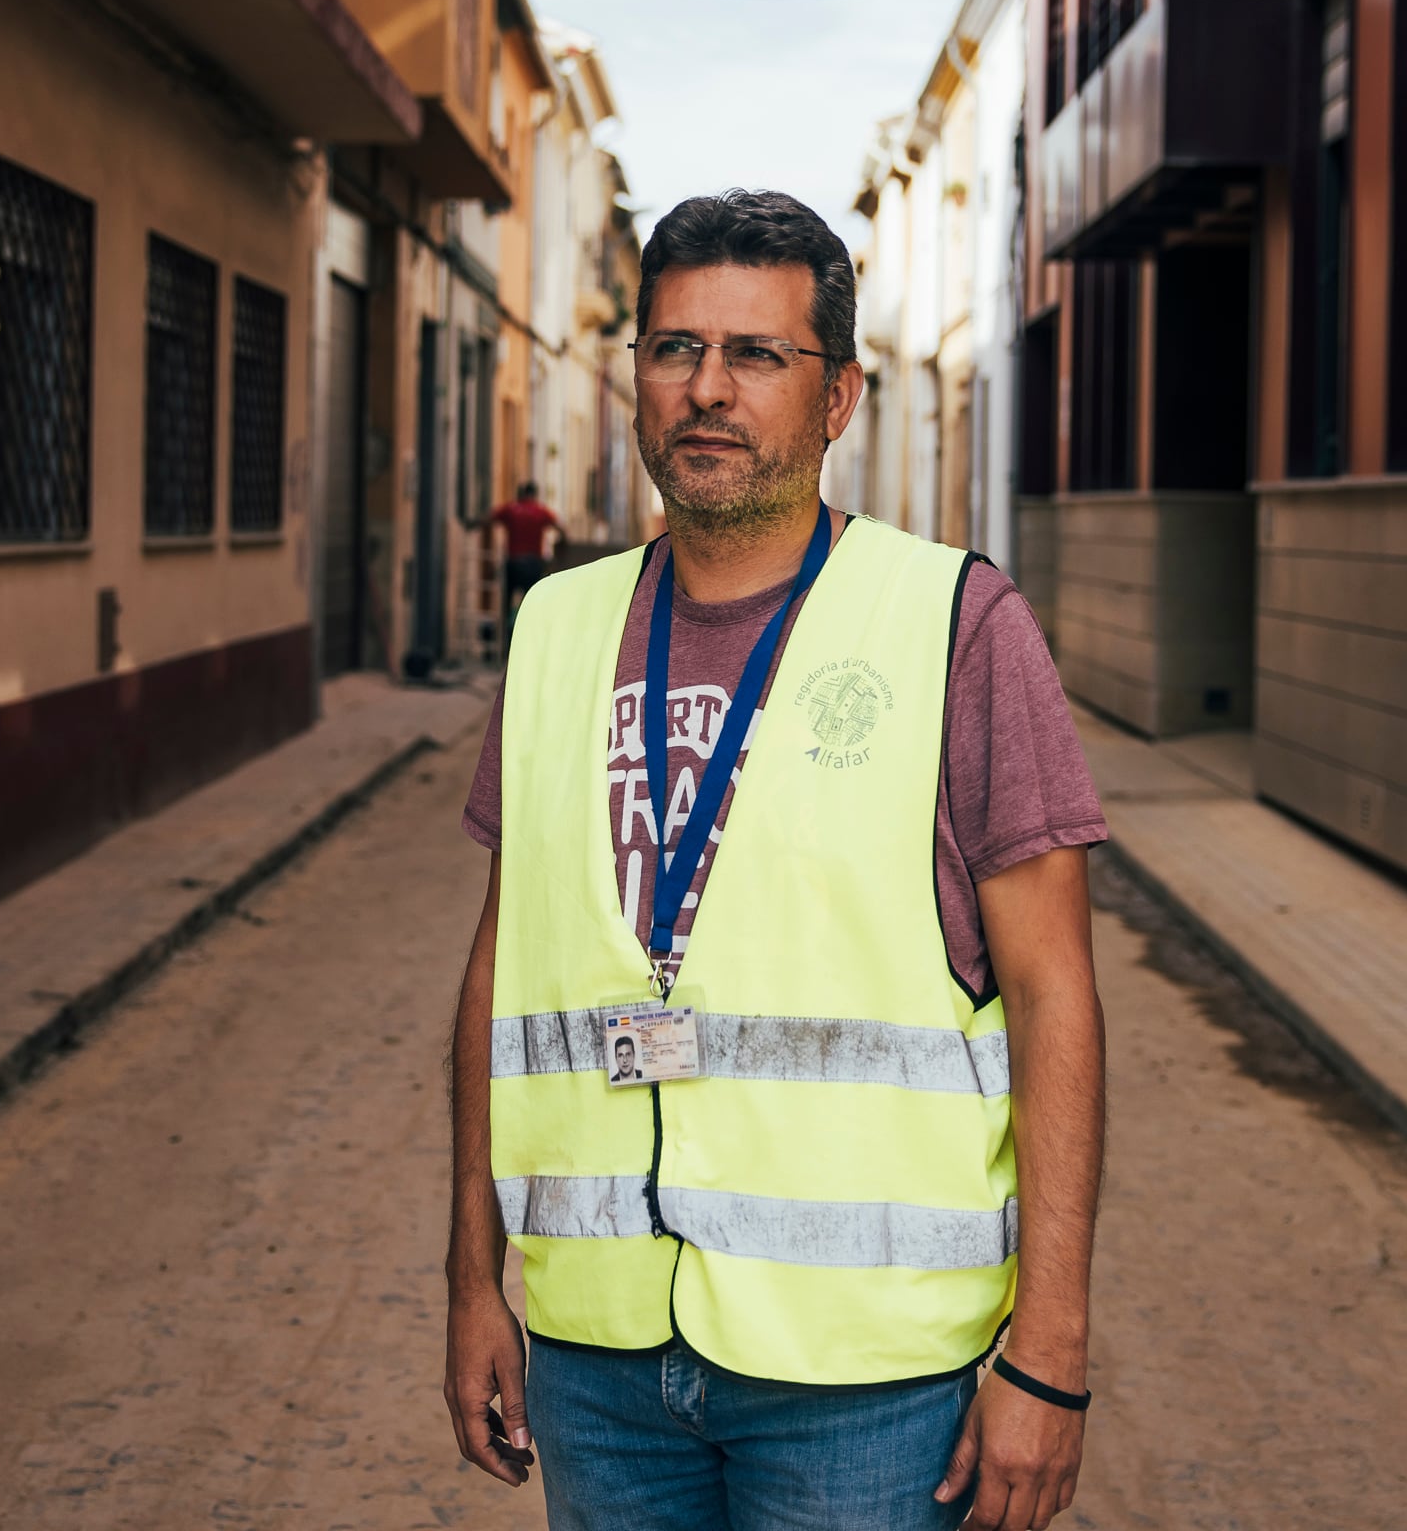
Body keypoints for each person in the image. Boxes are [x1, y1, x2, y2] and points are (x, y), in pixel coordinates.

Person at [445, 190, 1113, 1531]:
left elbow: (1054, 998)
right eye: (675, 348)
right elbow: (501, 975)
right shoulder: (561, 628)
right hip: (601, 1357)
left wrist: (1051, 1354)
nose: (708, 389)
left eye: (757, 354)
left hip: (863, 1383)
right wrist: (474, 1280)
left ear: (839, 398)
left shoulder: (954, 624)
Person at [489, 482, 563, 648]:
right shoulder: (540, 511)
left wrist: (471, 524)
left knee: (507, 604)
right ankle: (528, 643)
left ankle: (506, 644)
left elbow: (489, 518)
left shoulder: (511, 509)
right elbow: (560, 528)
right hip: (532, 564)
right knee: (531, 604)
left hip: (514, 563)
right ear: (534, 494)